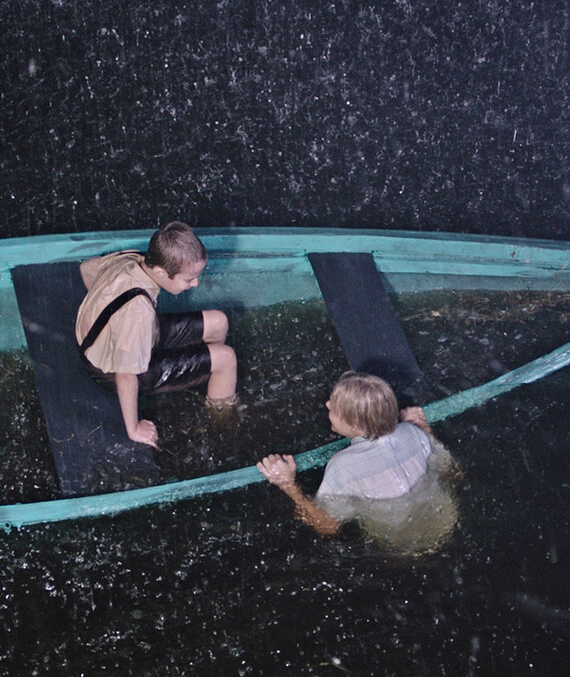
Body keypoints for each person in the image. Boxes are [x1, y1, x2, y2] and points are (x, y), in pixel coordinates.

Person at [76, 222, 238, 448]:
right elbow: (125, 376)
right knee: (227, 358)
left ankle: (206, 374)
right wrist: (134, 429)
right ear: (161, 272)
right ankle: (219, 424)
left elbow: (86, 268)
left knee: (219, 321)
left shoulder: (130, 259)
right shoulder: (138, 313)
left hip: (102, 339)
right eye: (189, 279)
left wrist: (109, 312)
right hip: (109, 371)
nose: (195, 284)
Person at [257, 371, 459, 552]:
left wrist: (287, 484)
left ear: (354, 424)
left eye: (334, 407)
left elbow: (326, 526)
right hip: (445, 523)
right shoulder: (414, 432)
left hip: (402, 542)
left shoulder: (342, 466)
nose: (327, 404)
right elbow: (452, 473)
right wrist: (424, 428)